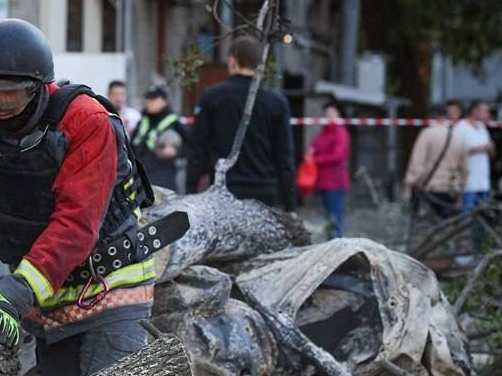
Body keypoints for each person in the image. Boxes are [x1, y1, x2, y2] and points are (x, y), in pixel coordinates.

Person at [0, 19, 158, 376]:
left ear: (37, 87)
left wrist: (17, 290)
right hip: (46, 299)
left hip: (110, 288)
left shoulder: (85, 120)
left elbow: (75, 223)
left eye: (9, 96)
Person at [185, 36, 296, 211]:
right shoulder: (275, 102)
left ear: (232, 61)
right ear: (259, 65)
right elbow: (284, 157)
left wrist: (189, 194)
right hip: (263, 192)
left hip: (223, 191)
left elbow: (197, 150)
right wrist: (291, 206)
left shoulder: (212, 97)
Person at [402, 103, 467, 219]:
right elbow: (463, 168)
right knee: (447, 226)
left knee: (427, 227)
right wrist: (461, 192)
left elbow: (417, 163)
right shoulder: (458, 137)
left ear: (431, 116)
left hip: (431, 188)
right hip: (452, 189)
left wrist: (409, 184)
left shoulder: (427, 134)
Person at [454, 99, 495, 249]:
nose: (487, 114)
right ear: (475, 111)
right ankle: (463, 253)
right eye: (485, 111)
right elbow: (457, 151)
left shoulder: (482, 127)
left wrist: (489, 148)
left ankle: (479, 250)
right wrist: (479, 148)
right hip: (468, 183)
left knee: (482, 219)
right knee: (465, 218)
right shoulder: (461, 127)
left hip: (483, 182)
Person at [132, 85, 188, 191]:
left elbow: (192, 146)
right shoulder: (143, 121)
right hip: (140, 177)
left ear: (164, 101)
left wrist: (176, 152)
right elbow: (132, 145)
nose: (149, 102)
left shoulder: (174, 122)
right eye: (148, 99)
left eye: (154, 99)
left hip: (164, 177)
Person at [308, 100, 351, 238]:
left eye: (332, 113)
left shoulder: (340, 132)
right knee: (328, 217)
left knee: (334, 218)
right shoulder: (325, 131)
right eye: (327, 113)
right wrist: (310, 153)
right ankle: (331, 246)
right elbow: (314, 146)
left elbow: (338, 155)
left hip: (335, 181)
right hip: (323, 181)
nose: (328, 116)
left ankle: (338, 249)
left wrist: (315, 159)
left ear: (339, 115)